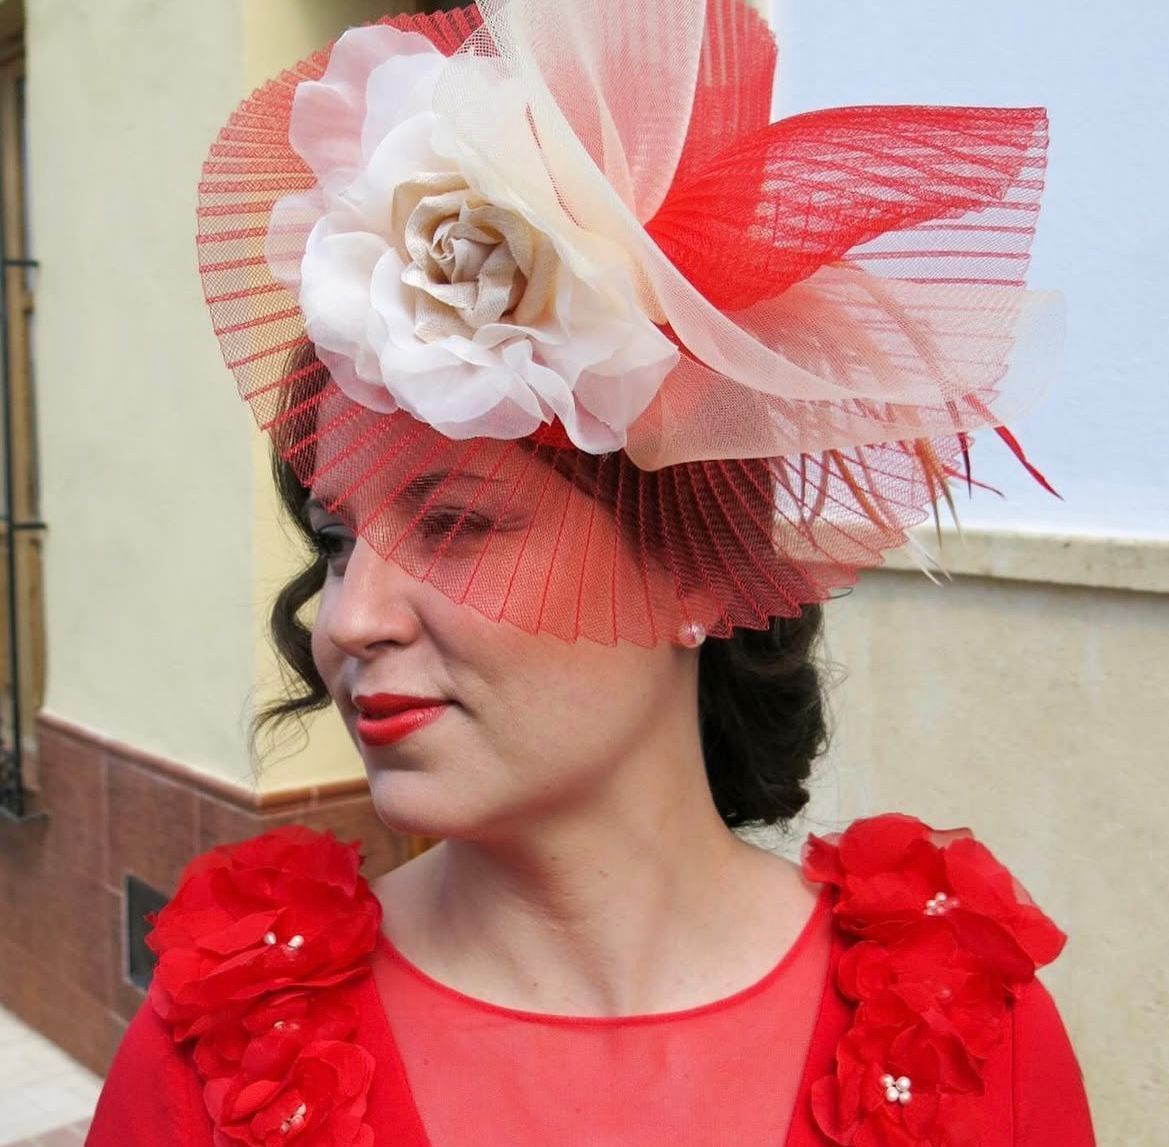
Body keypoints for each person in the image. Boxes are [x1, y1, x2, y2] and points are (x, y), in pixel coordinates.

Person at [87, 2, 1095, 1144]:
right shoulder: (227, 1044)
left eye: (457, 526)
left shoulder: (959, 1029)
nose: (347, 617)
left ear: (701, 575)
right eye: (333, 540)